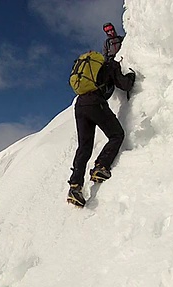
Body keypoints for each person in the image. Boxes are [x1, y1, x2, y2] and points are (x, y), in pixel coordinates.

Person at [67, 56, 135, 207]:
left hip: (80, 105)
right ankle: (101, 166)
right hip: (95, 102)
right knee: (116, 134)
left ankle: (75, 186)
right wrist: (131, 75)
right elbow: (124, 85)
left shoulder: (91, 70)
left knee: (84, 147)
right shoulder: (110, 65)